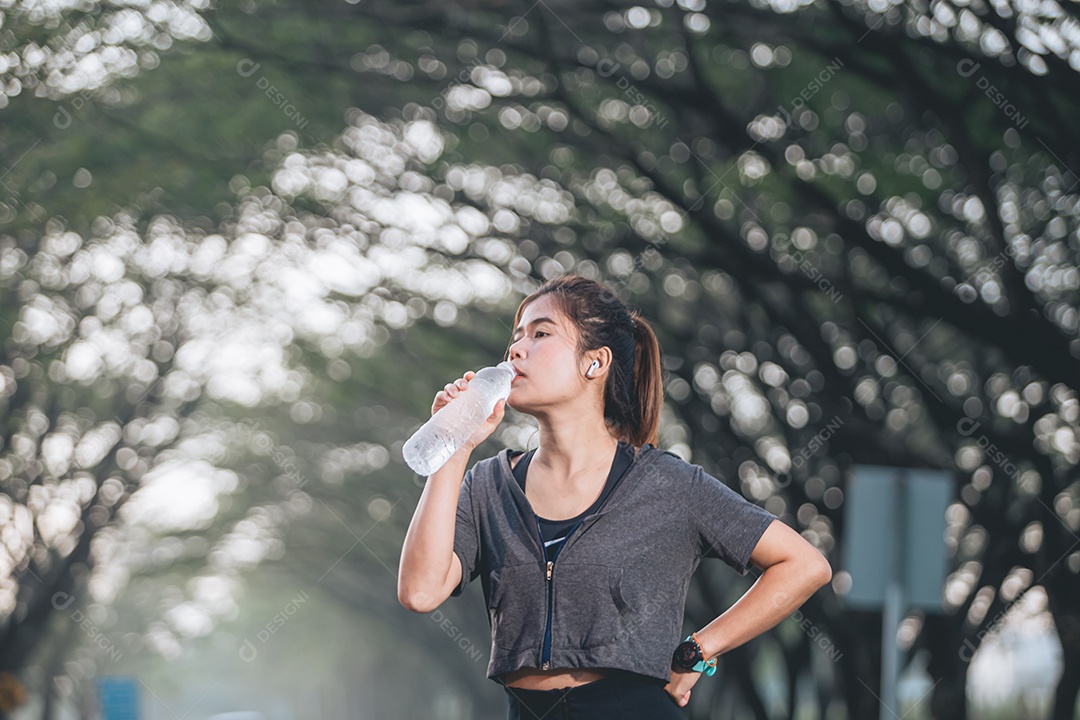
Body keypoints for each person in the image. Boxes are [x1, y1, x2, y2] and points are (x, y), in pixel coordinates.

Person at [399, 273, 832, 718]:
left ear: (595, 362)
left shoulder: (666, 483)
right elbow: (419, 591)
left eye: (541, 333)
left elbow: (804, 565)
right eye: (517, 336)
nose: (516, 349)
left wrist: (699, 649)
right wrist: (454, 444)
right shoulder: (487, 484)